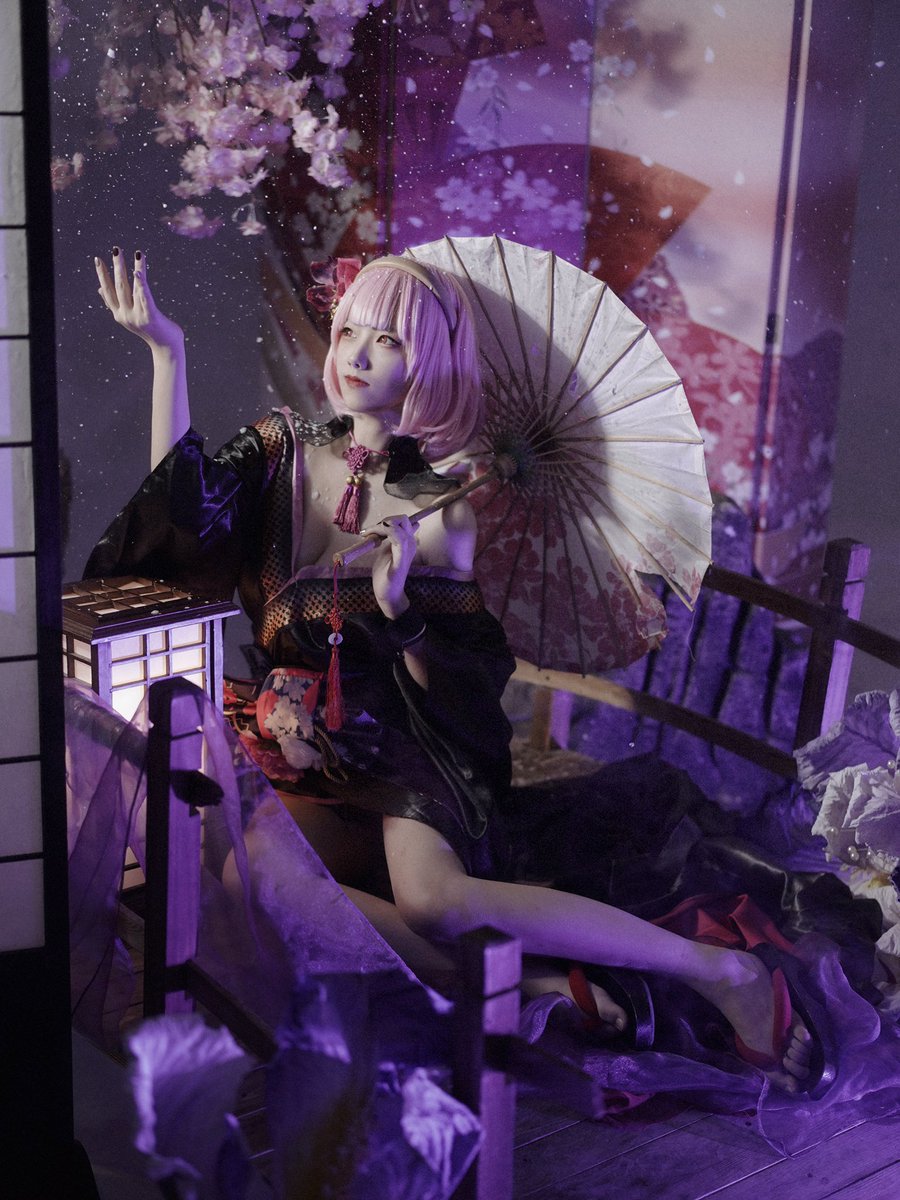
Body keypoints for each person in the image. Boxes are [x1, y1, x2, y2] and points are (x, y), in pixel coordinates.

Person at [87, 245, 814, 1092]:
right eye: (350, 330)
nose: (357, 355)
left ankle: (719, 970)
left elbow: (461, 691)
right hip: (301, 747)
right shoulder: (279, 450)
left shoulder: (444, 513)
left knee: (433, 902)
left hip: (409, 746)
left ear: (429, 363)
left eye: (389, 341)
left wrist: (400, 611)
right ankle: (535, 987)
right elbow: (182, 514)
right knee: (253, 884)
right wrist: (166, 353)